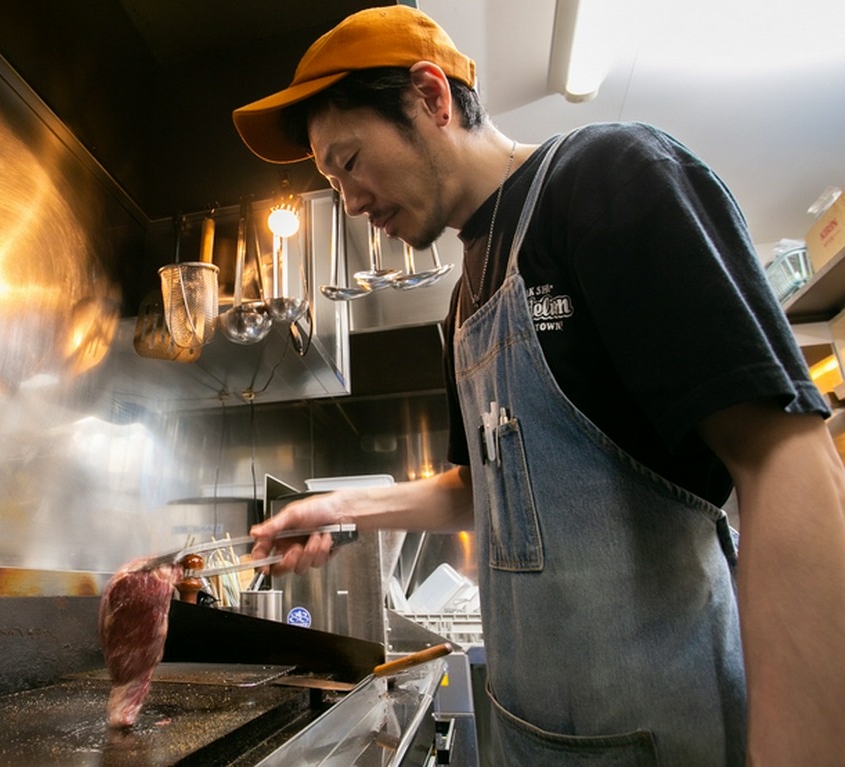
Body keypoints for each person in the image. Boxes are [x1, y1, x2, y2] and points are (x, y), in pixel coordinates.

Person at [233, 6, 845, 766]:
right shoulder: (464, 302)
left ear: (433, 97)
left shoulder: (610, 179)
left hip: (665, 736)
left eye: (350, 160)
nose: (349, 202)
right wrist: (340, 507)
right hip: (533, 738)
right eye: (331, 179)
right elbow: (478, 488)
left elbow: (787, 458)